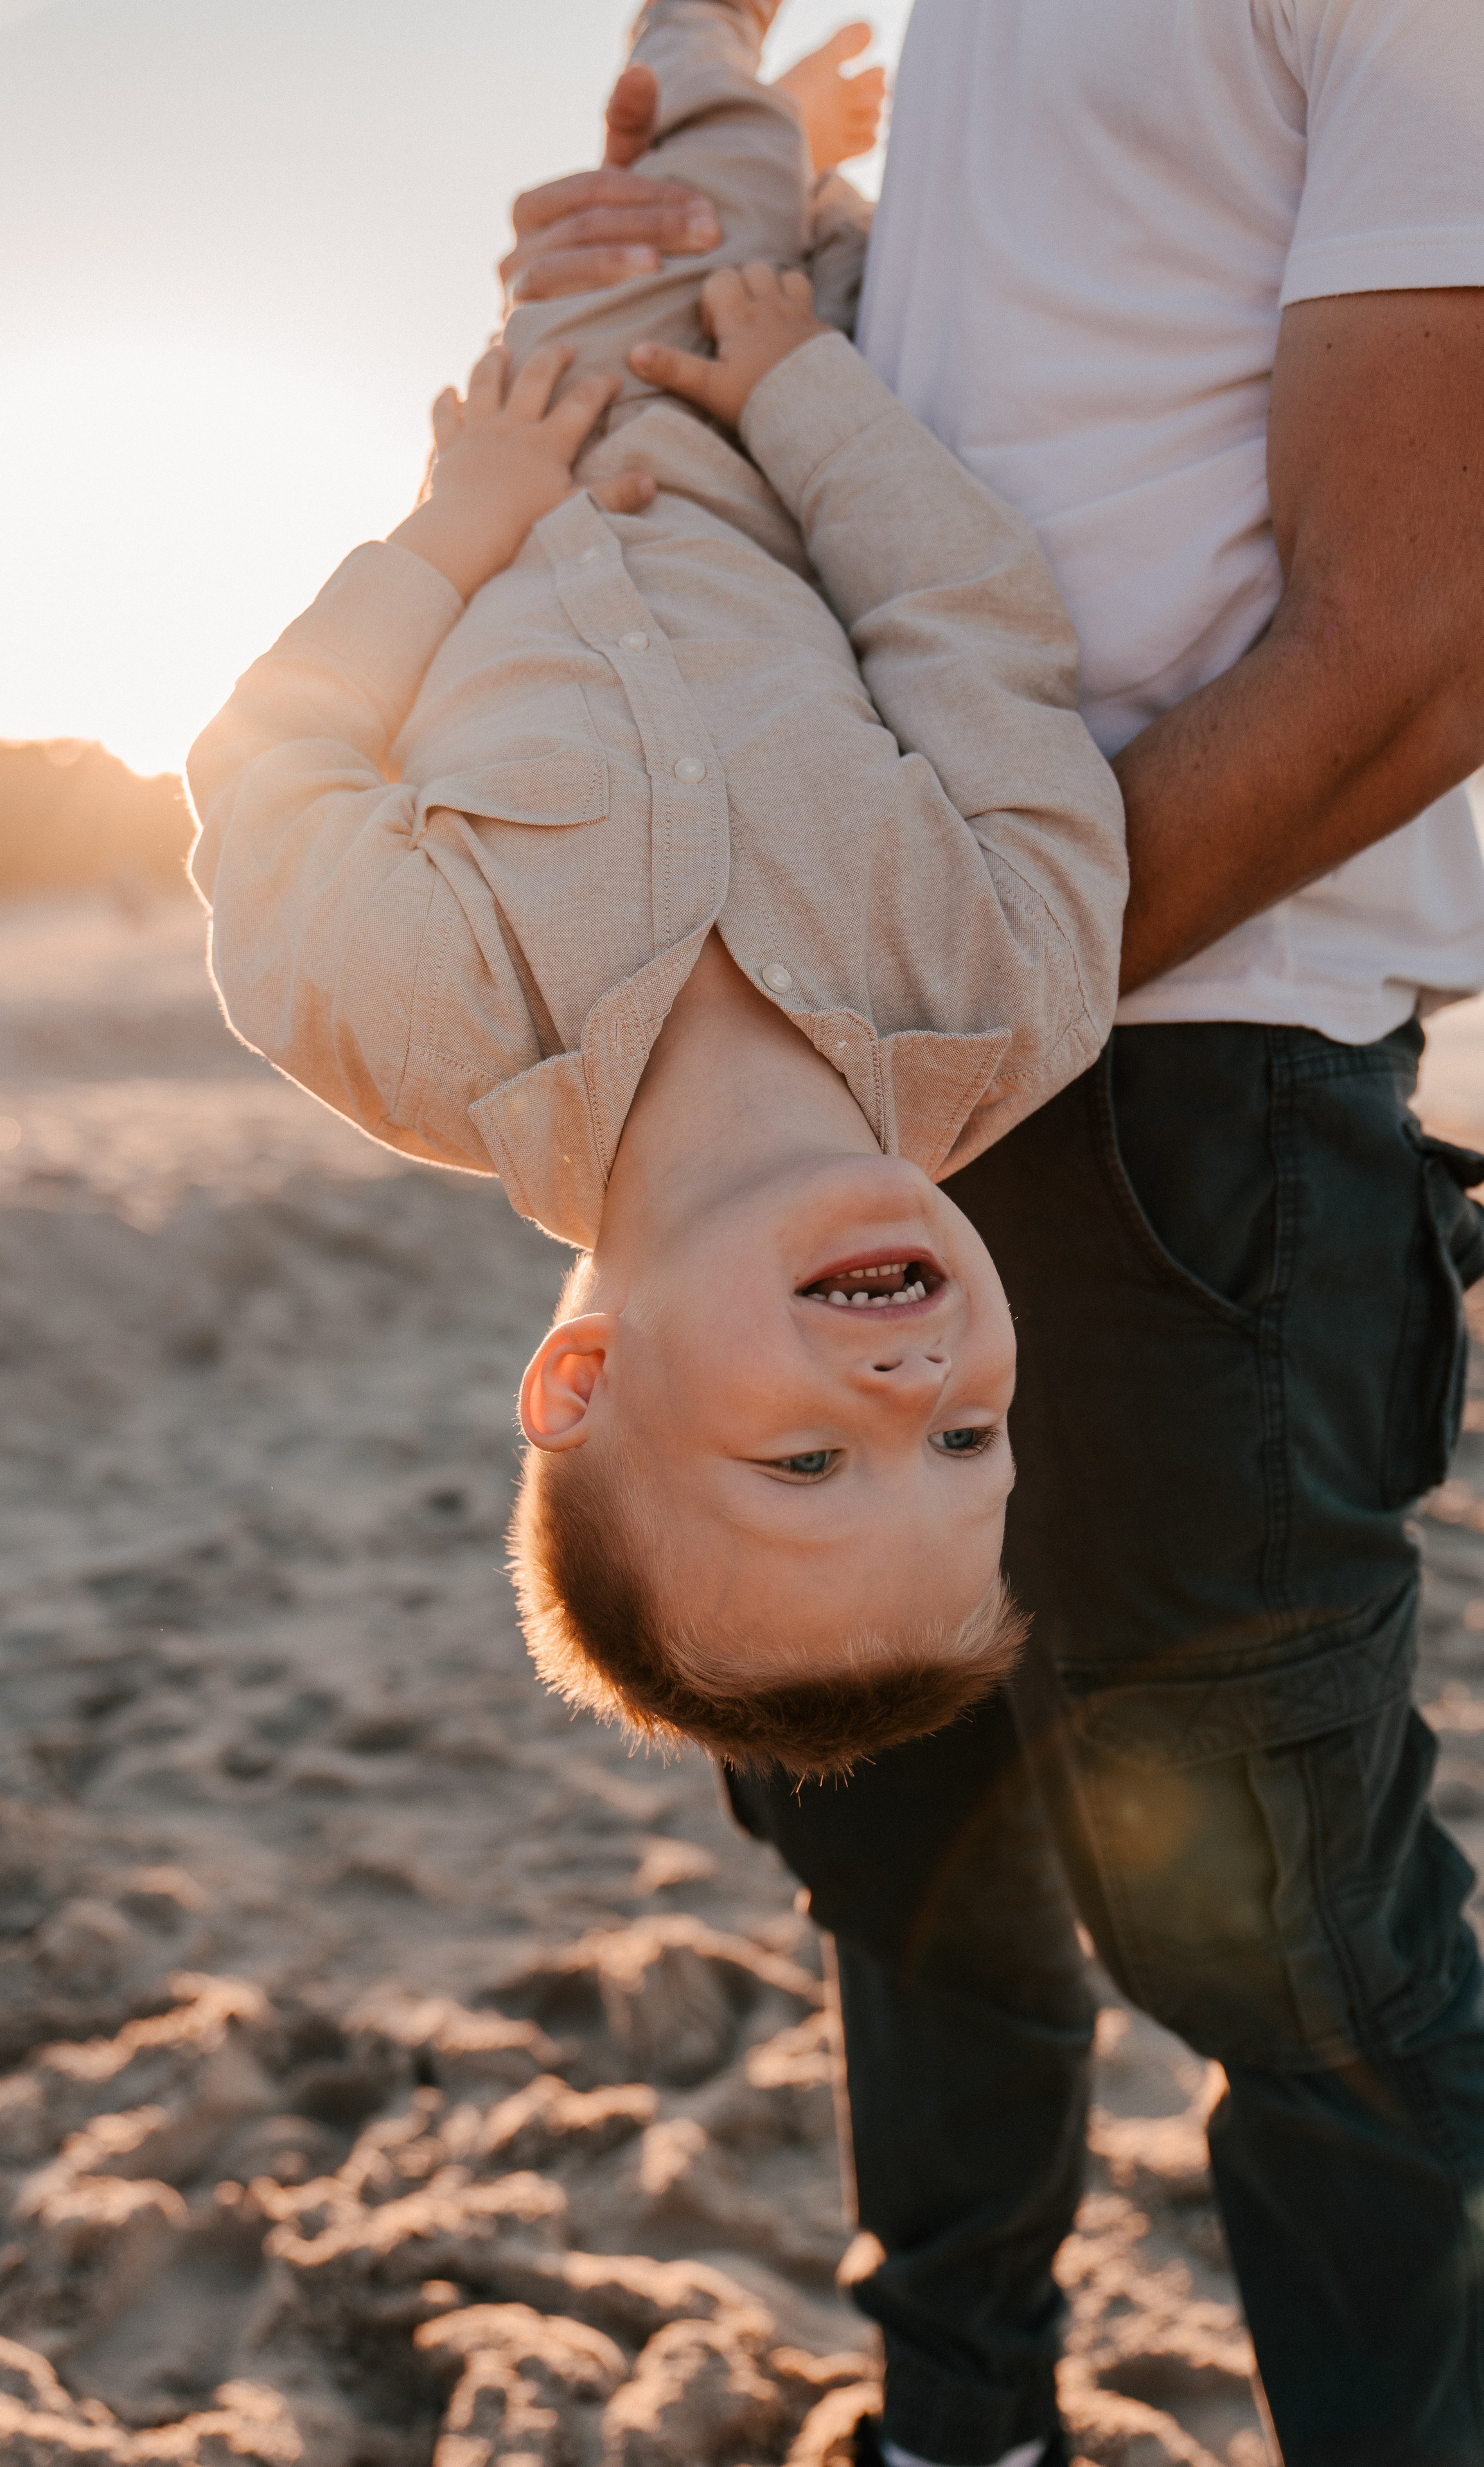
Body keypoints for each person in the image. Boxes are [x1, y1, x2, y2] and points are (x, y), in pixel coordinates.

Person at [502, 3, 1484, 2462]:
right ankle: (963, 2423)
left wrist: (920, 988)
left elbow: (1418, 643)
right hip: (861, 1076)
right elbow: (980, 429)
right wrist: (716, 228)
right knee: (892, 1847)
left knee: (1294, 1955)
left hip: (1193, 1077)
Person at [185, 0, 1126, 1780]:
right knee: (763, 233)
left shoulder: (419, 1031)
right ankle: (782, 149)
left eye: (807, 1467)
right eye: (973, 1445)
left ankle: (707, 41)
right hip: (769, 407)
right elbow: (977, 640)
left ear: (583, 1386)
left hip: (538, 420)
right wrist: (805, 402)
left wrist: (458, 520)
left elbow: (270, 774)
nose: (913, 1400)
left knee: (691, 192)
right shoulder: (1015, 992)